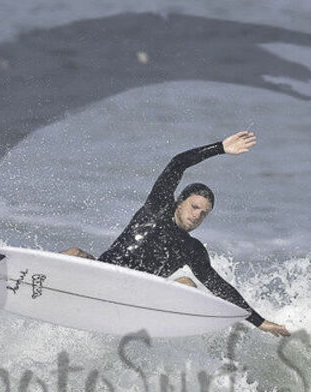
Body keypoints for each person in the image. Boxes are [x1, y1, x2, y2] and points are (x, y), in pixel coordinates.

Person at [63, 131, 290, 337]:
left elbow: (218, 285)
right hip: (101, 276)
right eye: (194, 207)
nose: (197, 216)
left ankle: (156, 333)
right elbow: (177, 164)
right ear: (180, 202)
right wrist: (220, 148)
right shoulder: (157, 207)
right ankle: (32, 283)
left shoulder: (192, 249)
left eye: (204, 214)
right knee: (74, 253)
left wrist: (259, 321)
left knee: (187, 284)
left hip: (137, 299)